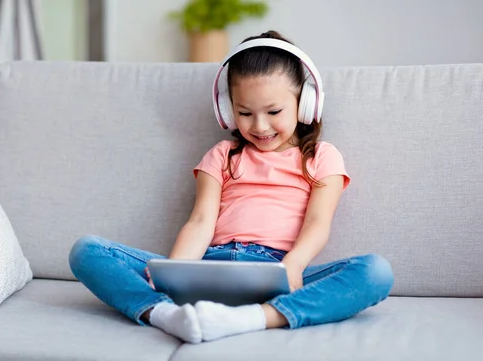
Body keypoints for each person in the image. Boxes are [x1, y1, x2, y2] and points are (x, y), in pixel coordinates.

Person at [68, 30, 394, 344]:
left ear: (306, 103)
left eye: (274, 111)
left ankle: (256, 318)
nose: (260, 125)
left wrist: (293, 265)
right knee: (87, 250)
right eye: (245, 113)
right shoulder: (222, 155)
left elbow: (318, 223)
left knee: (375, 272)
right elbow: (200, 222)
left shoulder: (322, 156)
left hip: (280, 272)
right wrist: (176, 271)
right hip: (210, 266)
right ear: (227, 110)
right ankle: (165, 314)